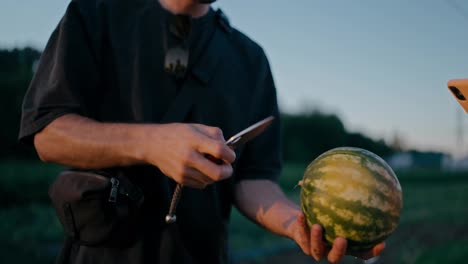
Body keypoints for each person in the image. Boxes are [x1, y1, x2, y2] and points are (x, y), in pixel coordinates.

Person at [19, 0, 385, 263]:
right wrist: (151, 143)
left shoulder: (250, 59)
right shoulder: (95, 13)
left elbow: (253, 179)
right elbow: (49, 133)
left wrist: (297, 226)